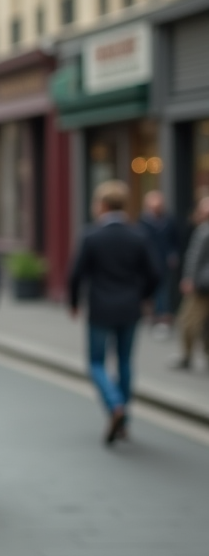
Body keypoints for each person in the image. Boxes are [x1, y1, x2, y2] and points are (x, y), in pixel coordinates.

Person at [67, 180, 161, 444]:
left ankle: (114, 404)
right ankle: (124, 419)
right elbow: (155, 273)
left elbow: (76, 274)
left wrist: (74, 302)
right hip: (130, 308)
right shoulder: (138, 235)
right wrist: (143, 296)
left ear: (103, 205)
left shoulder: (91, 236)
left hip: (100, 308)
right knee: (125, 362)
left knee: (96, 362)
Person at [139, 190, 180, 333]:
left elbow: (175, 240)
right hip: (148, 261)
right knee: (151, 289)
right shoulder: (143, 222)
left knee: (163, 289)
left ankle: (162, 317)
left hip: (164, 261)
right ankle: (152, 315)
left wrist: (173, 254)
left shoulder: (168, 221)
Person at [176, 195, 209, 370]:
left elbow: (194, 257)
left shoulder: (203, 230)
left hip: (201, 285)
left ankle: (187, 356)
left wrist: (189, 278)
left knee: (188, 321)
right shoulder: (200, 228)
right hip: (202, 283)